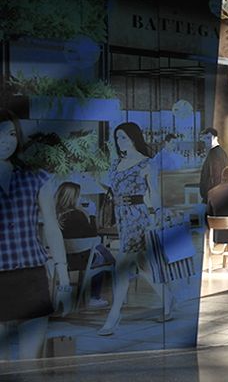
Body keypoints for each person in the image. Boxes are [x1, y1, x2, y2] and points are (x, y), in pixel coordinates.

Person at [101, 122, 191, 336]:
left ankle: (114, 315)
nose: (119, 142)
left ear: (133, 138)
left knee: (123, 265)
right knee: (143, 266)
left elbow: (154, 193)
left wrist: (158, 213)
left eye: (123, 137)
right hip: (121, 216)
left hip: (137, 217)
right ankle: (168, 299)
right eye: (117, 138)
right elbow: (112, 188)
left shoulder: (146, 164)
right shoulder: (116, 163)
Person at [0, 109, 68, 359]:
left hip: (31, 278)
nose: (6, 141)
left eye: (11, 134)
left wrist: (63, 274)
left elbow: (51, 224)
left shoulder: (35, 177)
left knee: (31, 365)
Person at [55, 181, 112, 309]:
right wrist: (92, 215)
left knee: (100, 250)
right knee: (100, 253)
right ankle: (94, 297)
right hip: (80, 260)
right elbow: (93, 236)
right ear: (73, 198)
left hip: (63, 260)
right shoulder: (77, 215)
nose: (81, 198)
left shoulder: (55, 216)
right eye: (79, 195)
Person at [198, 127, 227, 204]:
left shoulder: (216, 154)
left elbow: (216, 177)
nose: (206, 141)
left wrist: (210, 195)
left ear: (215, 138)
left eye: (209, 138)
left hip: (213, 195)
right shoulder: (216, 152)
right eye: (205, 138)